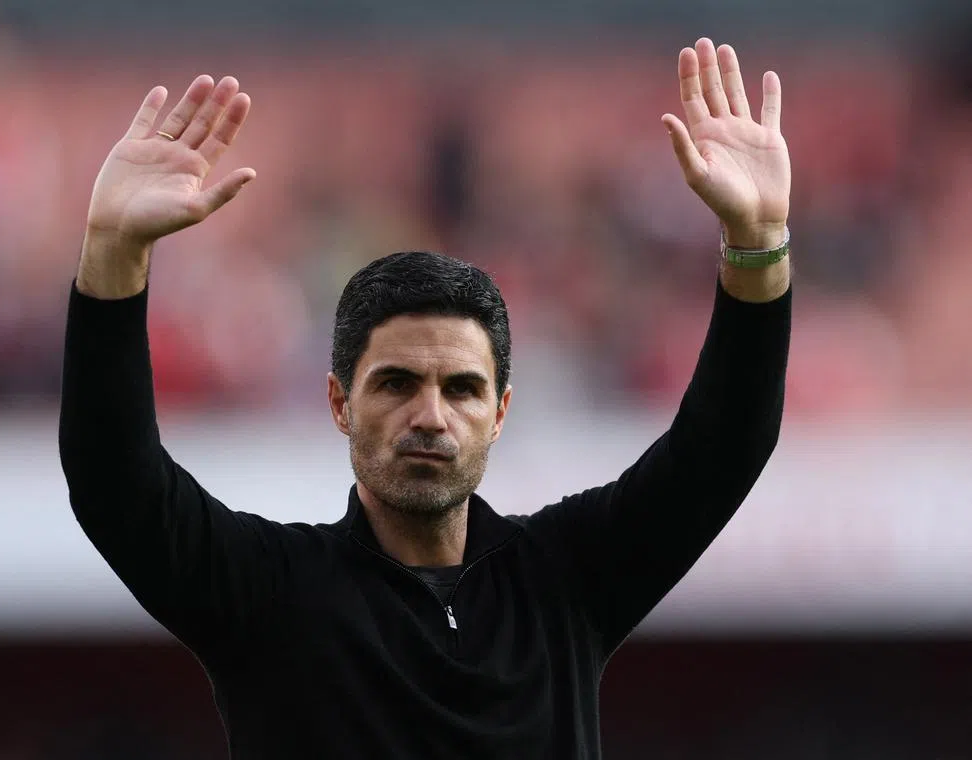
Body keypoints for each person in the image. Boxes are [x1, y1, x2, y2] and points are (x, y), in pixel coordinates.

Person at [59, 37, 791, 759]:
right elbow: (114, 481)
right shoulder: (270, 593)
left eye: (463, 389)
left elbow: (724, 445)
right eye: (397, 384)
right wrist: (113, 255)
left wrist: (757, 239)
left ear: (500, 413)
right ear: (340, 404)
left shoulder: (565, 578)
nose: (431, 415)